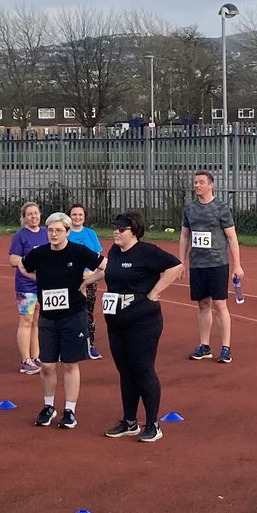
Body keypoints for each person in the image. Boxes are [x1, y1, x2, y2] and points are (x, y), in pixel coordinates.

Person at [85, 211, 182, 443]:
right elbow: (106, 273)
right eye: (115, 228)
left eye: (121, 229)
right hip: (116, 321)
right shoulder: (114, 251)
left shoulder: (147, 252)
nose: (116, 232)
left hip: (143, 321)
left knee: (143, 369)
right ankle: (129, 422)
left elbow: (176, 266)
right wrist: (84, 282)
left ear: (134, 231)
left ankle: (153, 424)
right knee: (125, 371)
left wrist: (155, 292)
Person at [17, 212, 103, 430]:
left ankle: (70, 410)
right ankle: (48, 407)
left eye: (58, 230)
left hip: (73, 315)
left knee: (69, 363)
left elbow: (104, 266)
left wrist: (86, 283)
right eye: (51, 231)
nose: (54, 234)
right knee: (46, 365)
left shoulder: (78, 251)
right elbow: (22, 266)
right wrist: (41, 280)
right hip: (48, 316)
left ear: (67, 232)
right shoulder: (41, 254)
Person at [178, 170, 243, 364]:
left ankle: (225, 347)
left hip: (217, 263)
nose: (197, 185)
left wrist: (237, 265)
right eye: (195, 182)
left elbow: (232, 237)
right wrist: (182, 262)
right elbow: (184, 236)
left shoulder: (221, 208)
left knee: (220, 304)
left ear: (210, 185)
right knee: (202, 304)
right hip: (198, 264)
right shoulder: (189, 209)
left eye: (201, 182)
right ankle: (204, 345)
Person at [8, 202, 48, 374]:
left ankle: (36, 356)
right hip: (26, 286)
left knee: (37, 321)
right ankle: (25, 360)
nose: (34, 217)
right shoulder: (20, 236)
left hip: (44, 284)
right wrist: (31, 262)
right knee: (26, 321)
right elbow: (13, 260)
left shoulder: (46, 233)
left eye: (36, 213)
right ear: (24, 218)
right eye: (29, 214)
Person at [67, 204, 105, 360]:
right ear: (69, 216)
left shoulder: (90, 233)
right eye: (74, 214)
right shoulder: (65, 233)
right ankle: (69, 344)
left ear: (84, 217)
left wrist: (93, 273)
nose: (77, 217)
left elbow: (97, 256)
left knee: (88, 311)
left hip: (89, 279)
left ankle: (90, 345)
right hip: (70, 280)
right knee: (69, 311)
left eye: (80, 215)